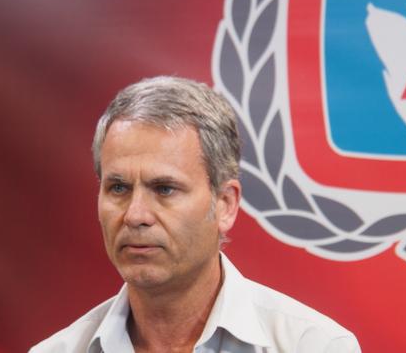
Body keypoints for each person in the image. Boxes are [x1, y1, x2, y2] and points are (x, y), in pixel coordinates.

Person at [29, 76, 361, 353]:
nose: (135, 215)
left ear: (225, 204)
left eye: (164, 189)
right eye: (118, 188)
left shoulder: (314, 345)